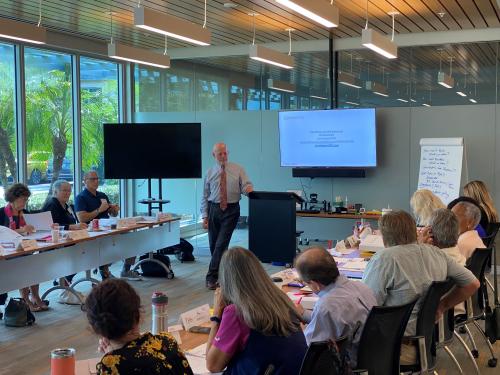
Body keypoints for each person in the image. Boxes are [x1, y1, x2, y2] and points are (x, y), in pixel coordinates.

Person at [362, 210, 479, 335]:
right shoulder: (437, 253)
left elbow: (366, 306)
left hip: (392, 340)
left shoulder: (384, 259)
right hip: (425, 334)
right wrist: (442, 306)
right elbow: (473, 283)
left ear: (385, 238)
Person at [206, 247, 307, 374]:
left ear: (226, 281)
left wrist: (216, 316)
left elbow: (212, 365)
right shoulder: (281, 299)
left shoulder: (236, 312)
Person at [84, 279, 193, 375]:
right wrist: (113, 355)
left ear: (96, 329)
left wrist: (112, 358)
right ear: (139, 315)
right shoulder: (167, 342)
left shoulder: (111, 366)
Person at [295, 246, 376, 367]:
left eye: (304, 282)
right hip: (372, 359)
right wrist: (304, 314)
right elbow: (337, 320)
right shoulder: (362, 287)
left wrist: (299, 330)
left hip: (348, 365)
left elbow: (310, 352)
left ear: (315, 284)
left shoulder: (327, 306)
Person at [200, 143, 253, 290]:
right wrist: (204, 216)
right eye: (220, 154)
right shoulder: (209, 172)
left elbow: (246, 185)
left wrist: (248, 189)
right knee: (214, 245)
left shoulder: (238, 169)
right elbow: (204, 196)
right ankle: (222, 276)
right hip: (213, 209)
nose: (223, 156)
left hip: (231, 209)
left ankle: (211, 276)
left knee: (221, 244)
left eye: (225, 153)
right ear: (214, 155)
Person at [75, 171, 140, 281]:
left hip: (108, 228)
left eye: (97, 179)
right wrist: (99, 210)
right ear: (85, 181)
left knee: (131, 238)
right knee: (106, 243)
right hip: (92, 231)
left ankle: (126, 269)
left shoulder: (102, 195)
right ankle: (104, 271)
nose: (96, 181)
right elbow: (82, 218)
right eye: (92, 179)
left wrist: (114, 209)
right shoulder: (81, 197)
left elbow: (112, 214)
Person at [0, 183, 47, 312]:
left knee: (33, 268)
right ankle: (26, 300)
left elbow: (32, 230)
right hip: (8, 253)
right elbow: (3, 233)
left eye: (26, 199)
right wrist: (22, 230)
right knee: (24, 269)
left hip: (26, 248)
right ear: (13, 198)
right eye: (23, 199)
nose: (24, 202)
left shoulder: (25, 213)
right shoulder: (2, 212)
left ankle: (36, 296)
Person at [42, 179, 88, 304]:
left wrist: (78, 226)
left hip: (69, 240)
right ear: (55, 191)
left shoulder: (66, 205)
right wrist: (73, 227)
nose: (67, 193)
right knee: (80, 254)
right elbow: (52, 226)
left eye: (69, 190)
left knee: (85, 252)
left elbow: (71, 222)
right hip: (54, 244)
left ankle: (66, 282)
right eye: (64, 190)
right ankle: (63, 283)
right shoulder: (52, 204)